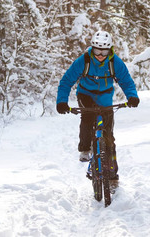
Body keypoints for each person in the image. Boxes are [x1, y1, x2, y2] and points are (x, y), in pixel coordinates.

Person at [56, 30, 139, 179]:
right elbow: (66, 81)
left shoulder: (115, 62)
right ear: (92, 48)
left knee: (108, 136)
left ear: (110, 50)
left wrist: (132, 96)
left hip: (105, 97)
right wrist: (62, 101)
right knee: (88, 118)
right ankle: (85, 149)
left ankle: (112, 171)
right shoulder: (84, 61)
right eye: (97, 50)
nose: (100, 55)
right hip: (85, 94)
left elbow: (126, 81)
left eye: (104, 51)